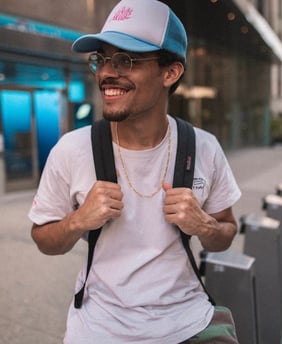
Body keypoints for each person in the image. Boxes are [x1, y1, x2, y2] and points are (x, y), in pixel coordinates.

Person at [29, 0, 241, 343]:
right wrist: (77, 220)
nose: (106, 73)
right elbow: (42, 239)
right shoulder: (71, 149)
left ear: (170, 73)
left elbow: (226, 232)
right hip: (98, 328)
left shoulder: (204, 147)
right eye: (101, 59)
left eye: (126, 60)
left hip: (187, 321)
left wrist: (203, 224)